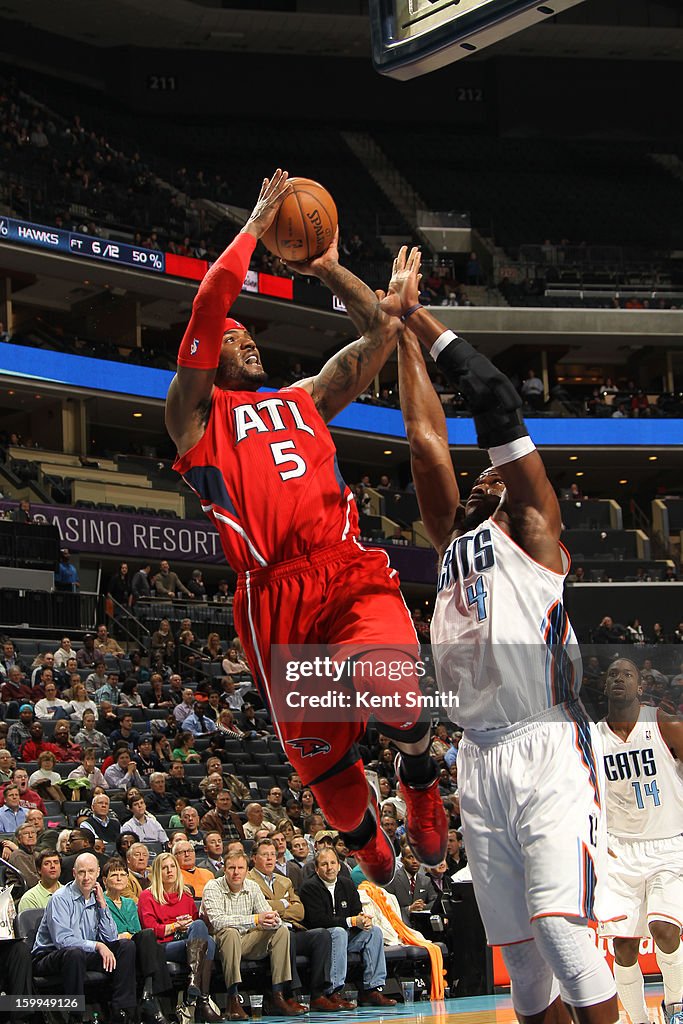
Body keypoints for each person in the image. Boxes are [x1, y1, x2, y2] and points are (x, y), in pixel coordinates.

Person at [165, 170, 447, 884]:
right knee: (325, 771)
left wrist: (327, 267)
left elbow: (378, 331)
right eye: (235, 340)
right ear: (209, 359)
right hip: (274, 597)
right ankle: (363, 842)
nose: (246, 343)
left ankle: (418, 780)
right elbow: (206, 307)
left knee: (396, 691)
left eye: (249, 337)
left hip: (346, 568)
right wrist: (255, 230)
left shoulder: (301, 399)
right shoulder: (194, 421)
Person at [394, 255, 618, 1024]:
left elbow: (488, 396)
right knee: (520, 964)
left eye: (487, 479)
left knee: (560, 930)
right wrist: (394, 330)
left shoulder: (531, 527)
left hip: (547, 743)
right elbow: (425, 438)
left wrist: (420, 317)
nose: (475, 482)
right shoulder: (450, 538)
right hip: (478, 756)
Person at [597, 658, 683, 1024]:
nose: (619, 679)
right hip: (619, 849)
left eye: (627, 675)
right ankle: (639, 1020)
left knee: (665, 930)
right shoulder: (593, 735)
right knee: (624, 947)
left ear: (641, 686)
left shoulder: (662, 723)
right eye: (613, 675)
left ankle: (676, 1007)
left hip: (667, 843)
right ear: (605, 687)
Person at [200, 848, 306, 1019]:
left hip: (248, 941)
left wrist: (273, 920)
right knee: (231, 933)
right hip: (221, 944)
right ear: (224, 869)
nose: (236, 872)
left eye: (240, 868)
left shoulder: (253, 886)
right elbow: (218, 921)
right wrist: (256, 920)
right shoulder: (213, 886)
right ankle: (232, 999)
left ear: (246, 870)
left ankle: (278, 995)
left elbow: (267, 914)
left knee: (281, 931)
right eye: (232, 868)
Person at [32, 852, 137, 1023]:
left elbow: (110, 938)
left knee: (126, 946)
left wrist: (103, 906)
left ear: (97, 874)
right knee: (74, 953)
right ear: (74, 874)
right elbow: (62, 940)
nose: (86, 877)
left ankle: (122, 1011)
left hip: (82, 954)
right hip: (49, 956)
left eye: (90, 872)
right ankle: (76, 1016)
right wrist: (97, 946)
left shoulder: (98, 897)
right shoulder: (60, 898)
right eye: (81, 872)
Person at [248, 837, 345, 1011]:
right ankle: (289, 995)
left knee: (322, 935)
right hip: (266, 934)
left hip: (293, 928)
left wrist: (274, 905)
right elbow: (258, 910)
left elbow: (299, 912)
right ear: (254, 858)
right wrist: (284, 903)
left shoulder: (284, 880)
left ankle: (318, 994)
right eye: (265, 855)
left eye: (273, 854)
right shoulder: (248, 881)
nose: (270, 859)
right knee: (287, 936)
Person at [299, 847, 396, 1006]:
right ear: (316, 868)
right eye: (324, 864)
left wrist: (363, 920)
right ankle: (333, 991)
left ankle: (372, 989)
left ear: (339, 865)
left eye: (332, 863)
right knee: (339, 932)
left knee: (374, 931)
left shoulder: (347, 884)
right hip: (322, 940)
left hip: (346, 938)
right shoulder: (309, 887)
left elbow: (356, 911)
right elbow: (317, 920)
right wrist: (351, 921)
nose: (329, 868)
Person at [137, 852, 220, 1024]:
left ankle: (195, 985)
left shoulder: (186, 896)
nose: (169, 871)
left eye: (172, 866)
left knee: (203, 932)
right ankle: (202, 999)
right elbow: (150, 930)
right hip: (163, 947)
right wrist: (176, 926)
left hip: (189, 945)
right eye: (164, 868)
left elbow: (198, 928)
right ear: (157, 872)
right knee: (208, 943)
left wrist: (196, 923)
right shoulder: (147, 896)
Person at [101, 857, 172, 1024]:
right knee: (154, 945)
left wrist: (129, 934)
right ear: (104, 880)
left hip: (132, 943)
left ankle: (148, 993)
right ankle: (151, 997)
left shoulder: (130, 903)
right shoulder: (101, 902)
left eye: (123, 875)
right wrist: (121, 935)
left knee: (149, 938)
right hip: (114, 946)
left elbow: (136, 930)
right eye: (114, 875)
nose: (119, 878)